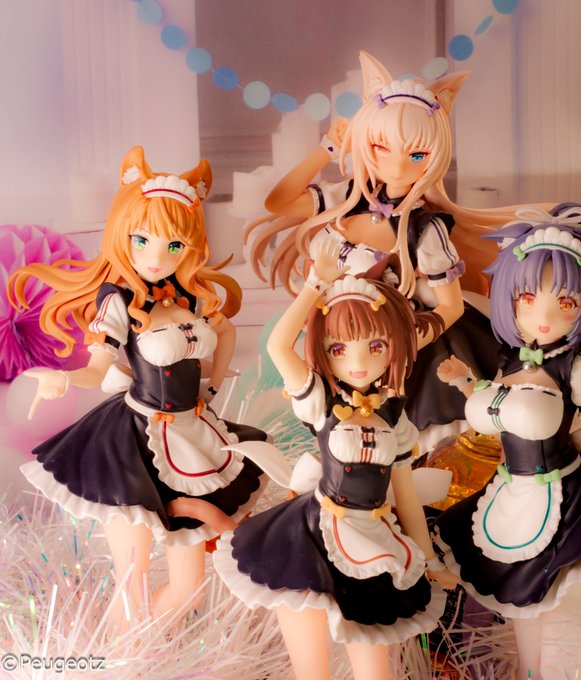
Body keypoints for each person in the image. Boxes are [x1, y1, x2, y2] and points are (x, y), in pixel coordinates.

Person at [7, 146, 285, 628]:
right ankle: (122, 649)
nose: (156, 258)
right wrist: (62, 377)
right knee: (131, 579)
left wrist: (213, 388)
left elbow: (224, 333)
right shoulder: (117, 300)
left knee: (188, 587)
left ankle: (138, 648)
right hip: (131, 443)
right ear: (123, 235)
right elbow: (97, 367)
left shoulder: (193, 297)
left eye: (173, 246)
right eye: (142, 240)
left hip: (192, 434)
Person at [245, 50, 540, 455]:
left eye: (416, 155)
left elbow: (450, 307)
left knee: (393, 446)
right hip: (333, 340)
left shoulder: (425, 230)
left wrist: (404, 343)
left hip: (386, 350)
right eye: (382, 147)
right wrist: (327, 150)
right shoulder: (345, 197)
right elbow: (276, 202)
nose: (398, 167)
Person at [434, 204, 581, 679]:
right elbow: (497, 412)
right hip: (509, 496)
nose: (543, 316)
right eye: (527, 297)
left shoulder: (577, 367)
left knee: (560, 630)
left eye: (565, 302)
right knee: (524, 615)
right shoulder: (510, 362)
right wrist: (465, 383)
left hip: (569, 502)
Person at [207, 243, 451, 680]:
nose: (357, 363)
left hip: (375, 535)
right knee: (311, 668)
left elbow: (406, 495)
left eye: (375, 346)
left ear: (395, 345)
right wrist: (314, 285)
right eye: (339, 348)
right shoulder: (320, 399)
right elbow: (280, 347)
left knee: (375, 666)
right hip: (310, 535)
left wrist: (429, 560)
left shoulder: (394, 415)